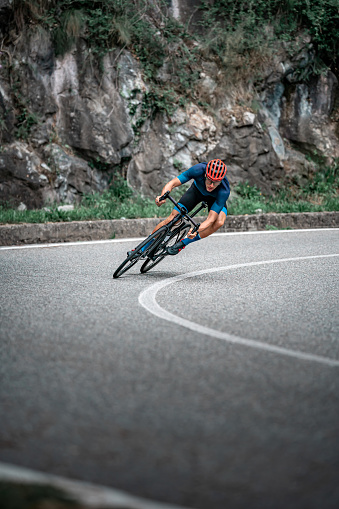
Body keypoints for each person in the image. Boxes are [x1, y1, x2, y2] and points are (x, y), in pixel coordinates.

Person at [147, 159, 230, 256]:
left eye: (216, 182)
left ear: (220, 181)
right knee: (173, 218)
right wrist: (162, 197)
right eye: (210, 180)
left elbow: (210, 219)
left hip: (214, 199)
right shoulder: (198, 169)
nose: (211, 185)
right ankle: (145, 246)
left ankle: (184, 242)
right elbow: (173, 183)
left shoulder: (224, 190)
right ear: (205, 175)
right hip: (196, 192)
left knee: (219, 222)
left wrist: (196, 230)